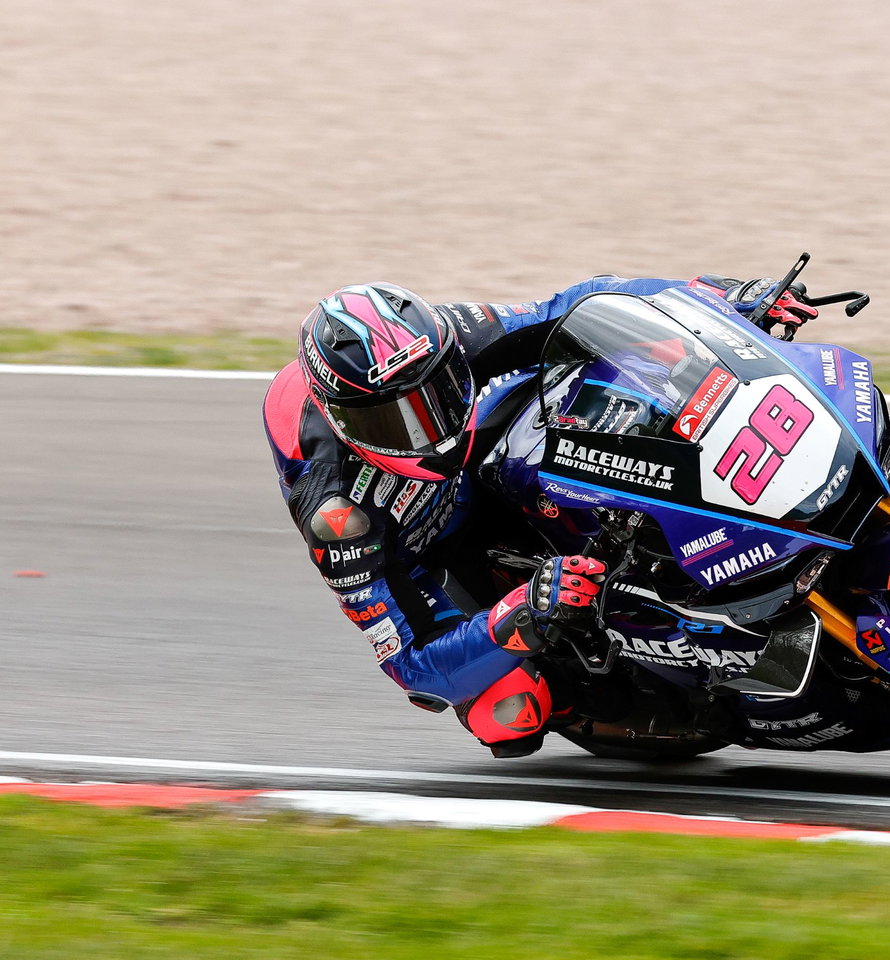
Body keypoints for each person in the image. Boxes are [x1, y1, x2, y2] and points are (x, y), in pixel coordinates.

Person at [263, 274, 817, 757]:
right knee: (506, 714)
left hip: (489, 448)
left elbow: (581, 304)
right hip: (428, 550)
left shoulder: (448, 335)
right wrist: (524, 608)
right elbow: (418, 673)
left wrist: (716, 297)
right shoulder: (338, 517)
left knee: (609, 374)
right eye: (394, 421)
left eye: (438, 394)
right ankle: (623, 689)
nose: (428, 431)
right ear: (341, 421)